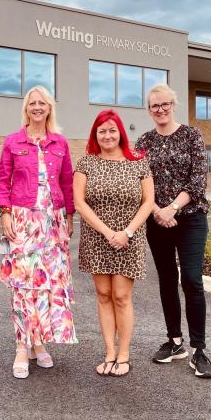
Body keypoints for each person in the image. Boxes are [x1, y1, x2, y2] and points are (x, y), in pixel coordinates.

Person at [0, 85, 78, 379]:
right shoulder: (13, 141)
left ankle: (38, 344)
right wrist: (5, 212)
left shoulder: (59, 142)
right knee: (23, 286)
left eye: (42, 103)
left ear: (49, 108)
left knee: (47, 285)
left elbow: (67, 182)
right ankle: (21, 346)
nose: (37, 107)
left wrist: (69, 215)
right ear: (26, 108)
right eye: (33, 103)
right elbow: (2, 179)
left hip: (53, 223)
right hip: (23, 220)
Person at [134, 83, 211, 378]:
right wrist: (157, 211)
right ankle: (175, 342)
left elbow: (197, 180)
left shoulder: (192, 135)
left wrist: (172, 209)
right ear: (149, 110)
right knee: (167, 280)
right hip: (156, 220)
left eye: (165, 104)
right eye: (154, 106)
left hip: (191, 218)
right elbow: (139, 181)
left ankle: (199, 350)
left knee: (192, 280)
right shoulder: (144, 142)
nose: (160, 110)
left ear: (174, 104)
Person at [73, 109, 154, 377]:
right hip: (97, 237)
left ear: (120, 132)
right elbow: (79, 202)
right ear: (95, 135)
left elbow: (148, 203)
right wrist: (108, 232)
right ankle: (109, 351)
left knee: (121, 296)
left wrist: (127, 232)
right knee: (103, 295)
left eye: (112, 130)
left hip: (128, 239)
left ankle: (124, 353)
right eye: (102, 131)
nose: (107, 135)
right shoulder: (87, 162)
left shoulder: (138, 162)